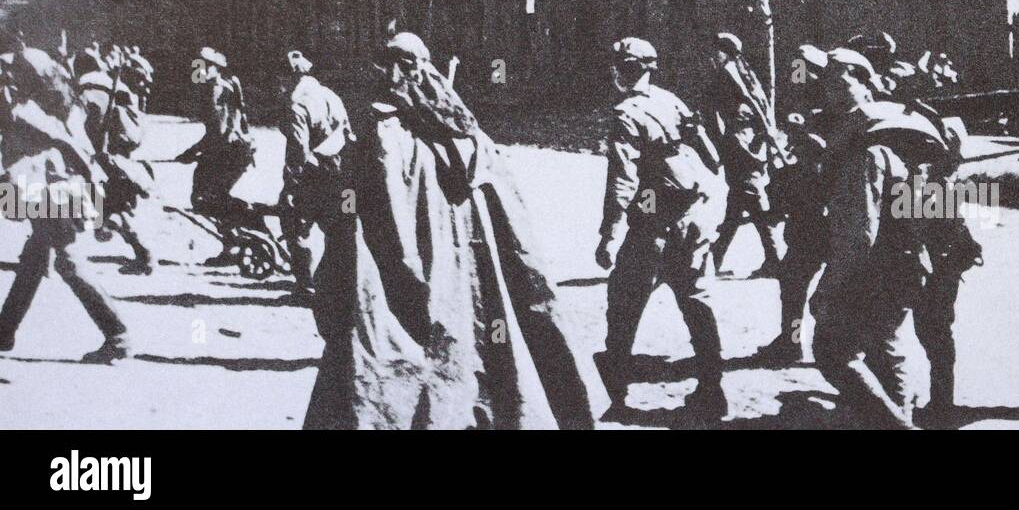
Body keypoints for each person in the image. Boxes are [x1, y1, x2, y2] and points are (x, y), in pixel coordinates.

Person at [305, 32, 594, 429]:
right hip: (476, 285)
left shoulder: (381, 137)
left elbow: (369, 225)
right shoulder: (473, 136)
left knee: (394, 385)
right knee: (484, 372)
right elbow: (514, 223)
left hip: (415, 286)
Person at [596, 37, 729, 421]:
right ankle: (712, 391)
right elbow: (713, 159)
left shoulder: (626, 114)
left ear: (622, 70)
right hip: (691, 218)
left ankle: (615, 395)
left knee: (623, 305)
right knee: (697, 305)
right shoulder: (671, 101)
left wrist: (609, 234)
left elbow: (623, 180)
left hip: (653, 224)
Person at [809, 47, 930, 429]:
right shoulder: (887, 124)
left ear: (863, 82)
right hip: (904, 259)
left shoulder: (863, 139)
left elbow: (859, 229)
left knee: (831, 349)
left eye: (838, 79)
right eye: (825, 80)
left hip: (873, 266)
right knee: (886, 350)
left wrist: (829, 285)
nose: (828, 88)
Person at [0, 40, 130, 363]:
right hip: (44, 186)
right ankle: (3, 331)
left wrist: (95, 196)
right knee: (34, 257)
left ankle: (118, 335)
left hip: (49, 190)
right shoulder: (46, 100)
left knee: (68, 260)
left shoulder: (27, 113)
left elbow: (70, 149)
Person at [761, 43, 831, 364]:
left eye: (802, 68)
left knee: (803, 282)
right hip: (807, 208)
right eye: (795, 67)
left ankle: (821, 347)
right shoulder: (803, 103)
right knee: (792, 281)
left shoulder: (830, 109)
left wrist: (804, 136)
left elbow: (823, 156)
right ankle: (791, 342)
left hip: (823, 209)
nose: (797, 73)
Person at [701, 32, 782, 276]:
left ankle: (774, 260)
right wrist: (766, 136)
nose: (712, 55)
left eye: (716, 50)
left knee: (750, 199)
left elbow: (712, 110)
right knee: (737, 204)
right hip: (750, 141)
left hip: (740, 143)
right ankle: (715, 259)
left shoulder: (727, 73)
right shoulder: (744, 72)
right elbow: (760, 106)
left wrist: (717, 144)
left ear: (724, 51)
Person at [278, 50, 354, 301]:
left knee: (294, 223)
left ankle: (306, 287)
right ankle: (343, 287)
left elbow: (298, 150)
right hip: (345, 174)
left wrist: (291, 187)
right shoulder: (329, 94)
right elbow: (347, 131)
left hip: (316, 173)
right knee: (343, 226)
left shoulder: (295, 103)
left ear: (286, 77)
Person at [74, 50, 154, 275]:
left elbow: (92, 126)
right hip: (118, 160)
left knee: (110, 210)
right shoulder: (111, 87)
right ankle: (143, 254)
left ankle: (144, 255)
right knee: (112, 209)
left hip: (106, 161)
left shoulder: (91, 90)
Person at [177, 48, 256, 218]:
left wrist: (192, 151)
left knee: (204, 199)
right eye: (198, 64)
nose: (199, 68)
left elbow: (218, 134)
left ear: (216, 68)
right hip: (234, 149)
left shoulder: (215, 90)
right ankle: (244, 214)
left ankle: (250, 213)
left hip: (230, 151)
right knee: (208, 197)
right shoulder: (219, 87)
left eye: (206, 65)